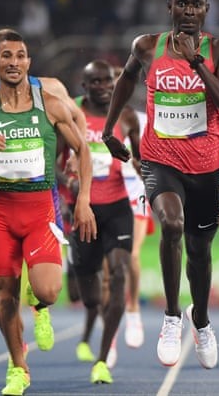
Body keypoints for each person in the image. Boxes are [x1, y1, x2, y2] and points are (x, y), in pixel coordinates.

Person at [102, 0, 219, 369]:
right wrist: (108, 129)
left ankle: (201, 320)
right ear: (170, 8)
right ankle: (170, 316)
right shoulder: (147, 46)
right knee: (171, 223)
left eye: (196, 5)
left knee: (199, 252)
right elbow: (126, 78)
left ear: (206, 10)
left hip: (205, 165)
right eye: (182, 4)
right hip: (160, 159)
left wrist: (197, 64)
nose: (189, 11)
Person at [0, 28, 97, 395]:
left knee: (48, 290)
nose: (13, 62)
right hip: (1, 211)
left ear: (28, 62)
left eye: (20, 56)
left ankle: (39, 304)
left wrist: (83, 200)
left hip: (39, 209)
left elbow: (83, 148)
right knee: (6, 296)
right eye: (6, 56)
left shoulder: (50, 102)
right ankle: (18, 367)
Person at [67, 59, 140, 384]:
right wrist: (69, 182)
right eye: (94, 81)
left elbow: (141, 160)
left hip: (117, 207)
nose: (102, 86)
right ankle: (77, 269)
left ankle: (101, 359)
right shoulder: (70, 112)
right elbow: (53, 161)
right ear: (84, 86)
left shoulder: (126, 116)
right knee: (90, 298)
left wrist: (148, 179)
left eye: (106, 80)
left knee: (120, 274)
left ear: (114, 81)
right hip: (83, 211)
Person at [116, 66, 155, 349]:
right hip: (106, 193)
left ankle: (133, 309)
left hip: (135, 192)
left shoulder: (143, 120)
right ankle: (110, 329)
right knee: (108, 265)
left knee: (131, 254)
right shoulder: (93, 122)